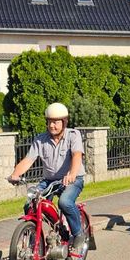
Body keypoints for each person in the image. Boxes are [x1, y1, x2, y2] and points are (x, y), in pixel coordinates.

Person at [8, 102, 86, 251]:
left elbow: (77, 156)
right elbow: (28, 160)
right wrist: (15, 174)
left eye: (56, 122)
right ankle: (42, 240)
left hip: (72, 180)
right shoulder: (40, 139)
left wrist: (72, 174)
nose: (52, 126)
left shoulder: (73, 135)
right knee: (30, 204)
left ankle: (78, 234)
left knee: (65, 202)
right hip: (49, 181)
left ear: (64, 122)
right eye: (50, 122)